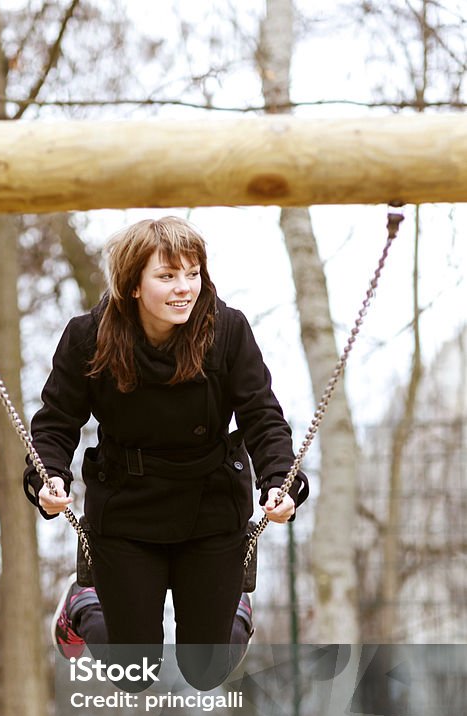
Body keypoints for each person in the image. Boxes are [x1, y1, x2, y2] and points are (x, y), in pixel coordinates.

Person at [23, 216, 308, 690]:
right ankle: (81, 604)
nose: (184, 288)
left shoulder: (227, 331)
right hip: (127, 508)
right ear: (133, 284)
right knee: (132, 673)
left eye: (192, 274)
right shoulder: (88, 338)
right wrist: (48, 478)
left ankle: (232, 604)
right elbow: (55, 422)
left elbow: (262, 416)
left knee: (207, 670)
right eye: (167, 275)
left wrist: (281, 480)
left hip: (211, 504)